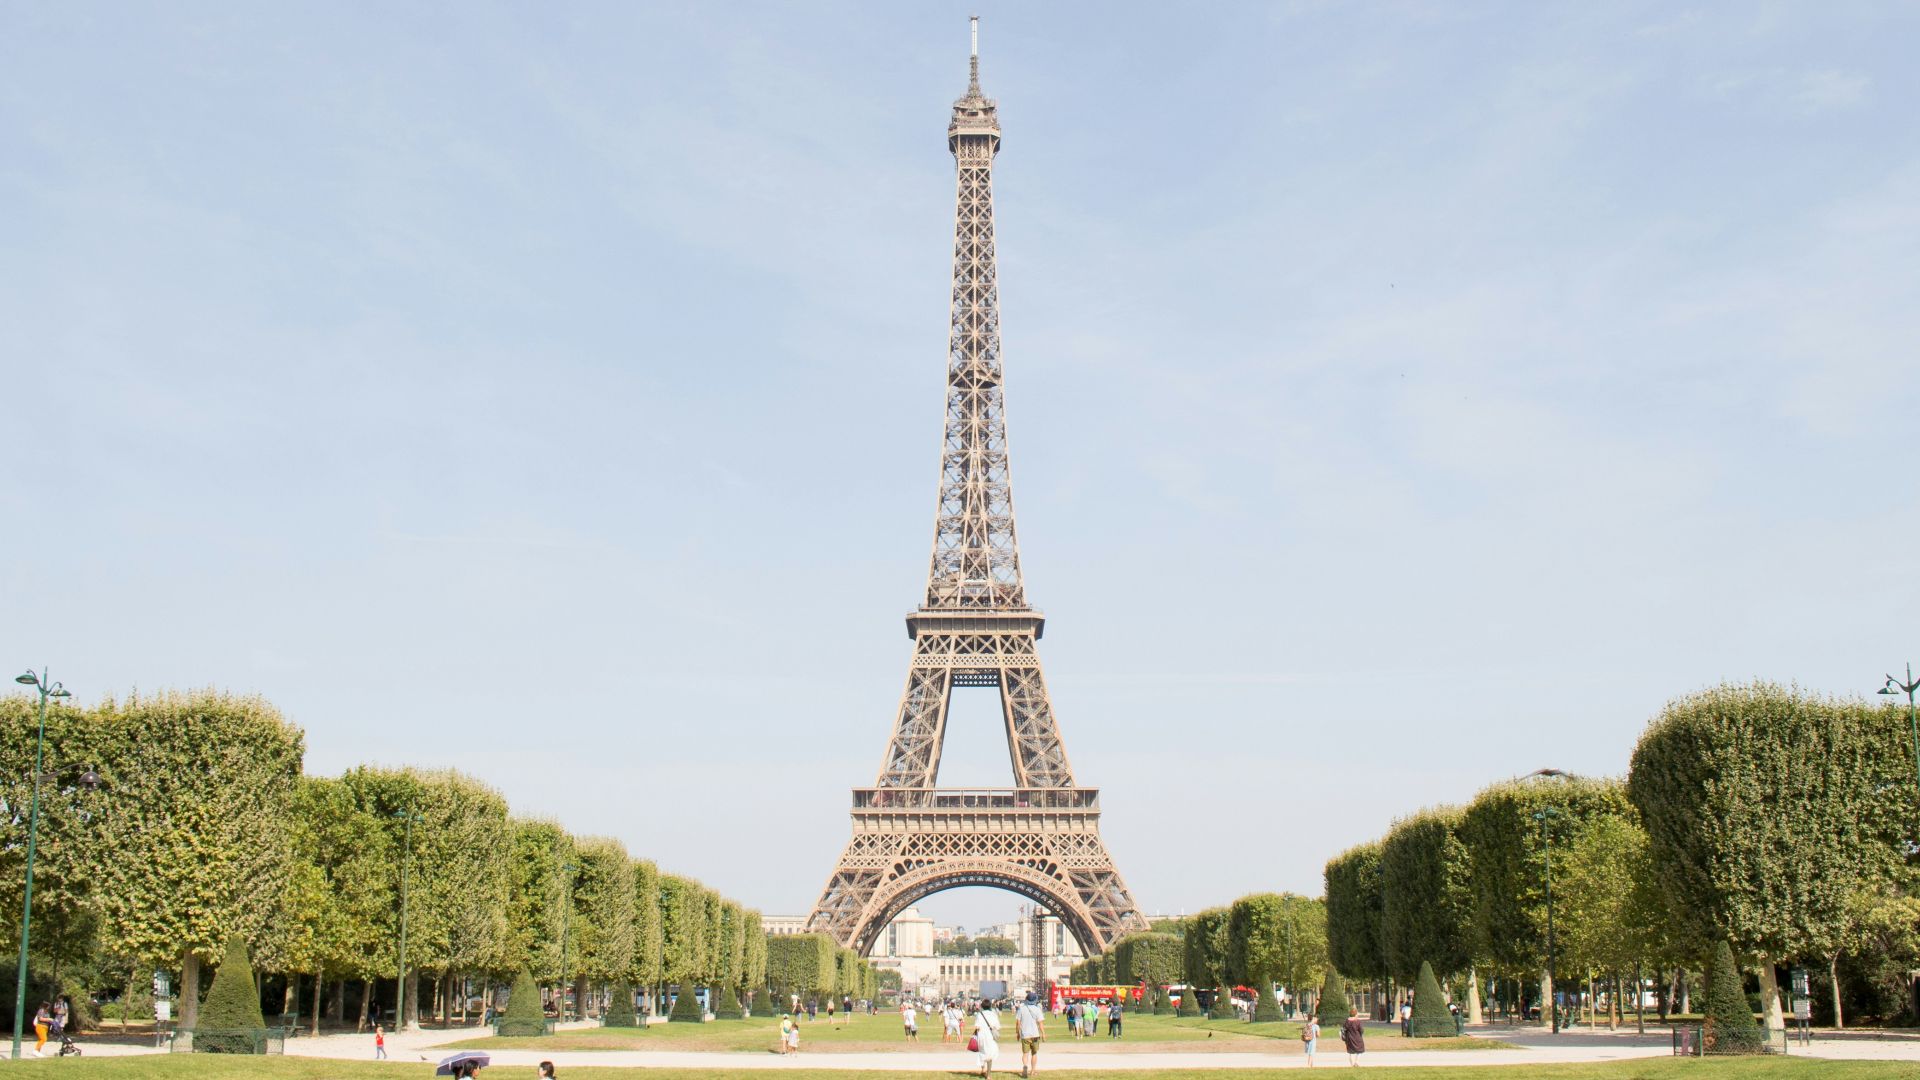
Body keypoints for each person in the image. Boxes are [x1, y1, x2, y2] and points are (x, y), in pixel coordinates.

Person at [1014, 992, 1045, 1078]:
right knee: (1034, 1053)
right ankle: (1033, 1071)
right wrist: (1043, 1034)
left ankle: (1025, 1066)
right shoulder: (1037, 1009)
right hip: (1035, 1034)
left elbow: (1018, 1023)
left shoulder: (1021, 1009)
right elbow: (1040, 1023)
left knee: (1025, 1053)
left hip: (1025, 1035)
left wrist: (1017, 1033)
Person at [971, 1001, 1001, 1079]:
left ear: (982, 1006)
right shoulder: (993, 1014)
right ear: (990, 1006)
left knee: (982, 1052)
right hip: (990, 1036)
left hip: (981, 1036)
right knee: (990, 1054)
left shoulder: (979, 1014)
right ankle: (988, 1075)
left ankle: (983, 1069)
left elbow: (977, 1026)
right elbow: (998, 1027)